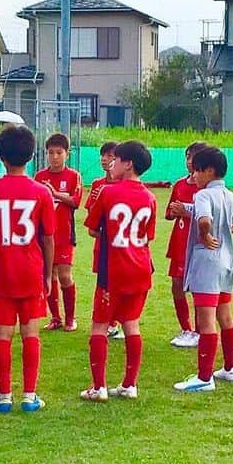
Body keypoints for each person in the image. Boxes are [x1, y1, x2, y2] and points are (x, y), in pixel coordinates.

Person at [0, 124, 55, 414]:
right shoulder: (42, 192)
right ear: (32, 156)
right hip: (31, 271)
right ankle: (30, 395)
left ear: (1, 158)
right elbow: (47, 237)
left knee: (3, 335)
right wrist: (47, 274)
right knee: (31, 334)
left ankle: (4, 396)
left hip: (2, 273)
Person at [170, 145, 233, 392]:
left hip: (207, 262)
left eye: (197, 171)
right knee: (225, 315)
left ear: (209, 171)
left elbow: (205, 218)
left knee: (206, 319)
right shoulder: (228, 195)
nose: (194, 176)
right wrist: (226, 229)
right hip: (227, 261)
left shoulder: (203, 196)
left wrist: (206, 233)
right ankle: (230, 368)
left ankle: (204, 377)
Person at [81, 141, 157, 401]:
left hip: (113, 268)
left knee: (100, 325)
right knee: (131, 325)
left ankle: (99, 387)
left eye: (117, 159)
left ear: (129, 164)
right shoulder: (150, 197)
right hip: (140, 268)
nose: (111, 164)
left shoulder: (108, 192)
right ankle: (129, 384)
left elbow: (92, 228)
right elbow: (148, 236)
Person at [35, 133, 83, 332]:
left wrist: (53, 193)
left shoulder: (73, 176)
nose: (54, 157)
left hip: (64, 235)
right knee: (49, 275)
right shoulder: (39, 177)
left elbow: (76, 201)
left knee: (64, 275)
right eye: (50, 152)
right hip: (45, 235)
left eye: (59, 152)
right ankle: (55, 317)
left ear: (67, 154)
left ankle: (71, 318)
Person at [166, 142, 205, 348]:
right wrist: (174, 211)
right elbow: (169, 213)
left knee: (199, 288)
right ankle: (186, 328)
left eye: (194, 157)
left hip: (198, 244)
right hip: (179, 243)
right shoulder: (180, 184)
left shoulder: (206, 186)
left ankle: (200, 331)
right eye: (187, 157)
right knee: (177, 285)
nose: (189, 161)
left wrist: (187, 211)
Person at [85, 141, 123, 339]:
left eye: (109, 156)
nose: (105, 160)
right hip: (102, 244)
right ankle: (105, 321)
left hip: (121, 247)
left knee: (117, 284)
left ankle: (114, 322)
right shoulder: (98, 185)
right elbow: (90, 210)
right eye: (103, 156)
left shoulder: (124, 186)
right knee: (102, 283)